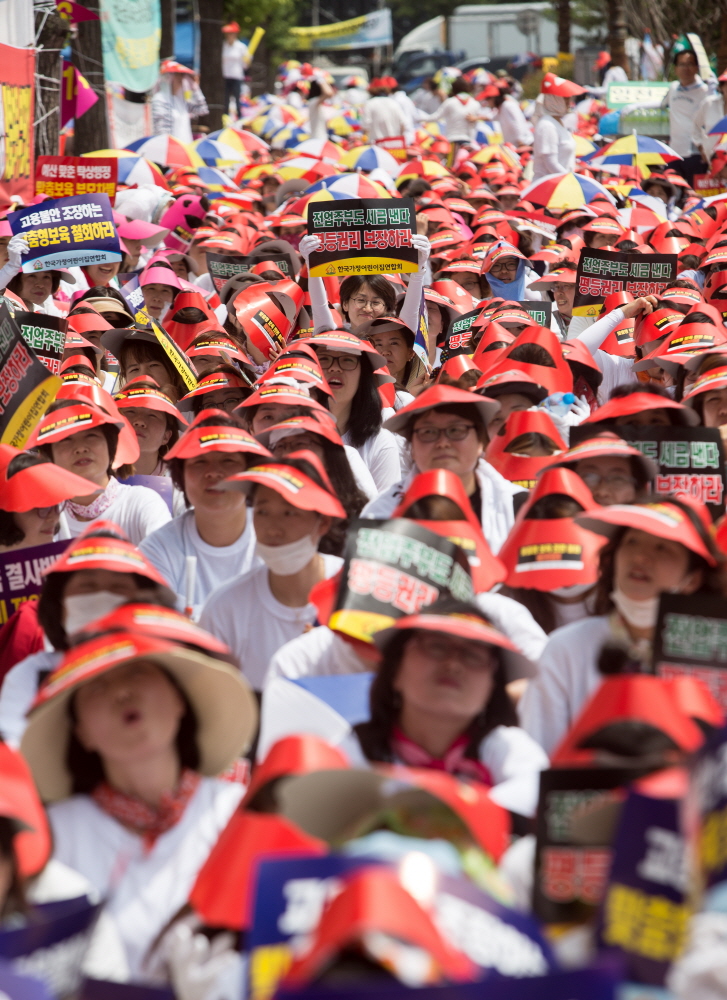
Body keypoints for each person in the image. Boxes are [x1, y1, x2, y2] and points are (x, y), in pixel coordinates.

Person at [19, 624, 258, 979]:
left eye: (136, 672)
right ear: (80, 732)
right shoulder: (52, 837)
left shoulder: (240, 813)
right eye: (97, 687)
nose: (121, 693)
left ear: (179, 700)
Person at [519, 499, 721, 755]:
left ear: (692, 579)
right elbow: (537, 752)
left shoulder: (717, 654)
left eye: (662, 548)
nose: (640, 557)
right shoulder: (567, 647)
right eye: (631, 542)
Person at [0, 524, 176, 748]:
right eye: (87, 586)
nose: (101, 597)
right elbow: (13, 753)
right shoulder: (33, 676)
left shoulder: (170, 664)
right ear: (58, 605)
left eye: (117, 587)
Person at [353, 600, 547, 790]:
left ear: (492, 687)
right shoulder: (350, 750)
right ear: (395, 670)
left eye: (473, 655)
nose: (453, 665)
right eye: (437, 647)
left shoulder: (511, 751)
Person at [199, 457, 346, 691]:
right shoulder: (224, 608)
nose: (272, 528)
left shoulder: (357, 592)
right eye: (263, 511)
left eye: (290, 513)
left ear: (323, 523)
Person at [362, 385, 523, 554]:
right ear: (412, 449)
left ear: (480, 441)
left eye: (456, 430)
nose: (443, 443)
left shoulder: (518, 507)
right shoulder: (380, 513)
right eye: (428, 432)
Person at [140, 412, 272, 617]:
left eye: (228, 460)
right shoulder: (157, 549)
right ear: (180, 477)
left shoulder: (278, 538)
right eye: (199, 462)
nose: (212, 472)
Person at [28, 399, 171, 544]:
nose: (80, 448)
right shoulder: (39, 518)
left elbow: (167, 560)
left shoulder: (142, 503)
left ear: (111, 447)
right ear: (50, 456)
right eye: (66, 439)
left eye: (91, 436)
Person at [299, 331, 403, 492]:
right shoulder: (289, 430)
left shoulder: (380, 443)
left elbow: (384, 513)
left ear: (363, 376)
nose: (334, 368)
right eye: (324, 359)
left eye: (347, 360)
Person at [661, 45, 709, 181]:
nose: (686, 68)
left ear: (697, 67)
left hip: (696, 154)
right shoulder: (673, 88)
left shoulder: (706, 91)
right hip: (674, 153)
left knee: (695, 195)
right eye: (682, 64)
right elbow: (661, 105)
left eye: (690, 64)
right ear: (675, 68)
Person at [532, 73, 585, 181]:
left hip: (560, 184)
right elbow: (550, 162)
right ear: (554, 100)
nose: (569, 103)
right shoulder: (547, 125)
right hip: (548, 187)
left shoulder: (557, 122)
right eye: (565, 99)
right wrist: (571, 180)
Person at [151, 59, 208, 144]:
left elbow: (202, 109)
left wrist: (195, 87)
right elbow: (160, 130)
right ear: (168, 78)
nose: (181, 79)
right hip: (169, 149)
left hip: (184, 148)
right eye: (178, 75)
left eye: (183, 76)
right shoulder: (159, 100)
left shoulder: (181, 101)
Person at [421, 77, 480, 150]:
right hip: (468, 141)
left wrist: (418, 119)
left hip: (452, 139)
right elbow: (475, 124)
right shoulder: (475, 103)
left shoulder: (450, 102)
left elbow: (435, 117)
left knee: (451, 161)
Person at [361, 78, 408, 143]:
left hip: (377, 145)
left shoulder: (370, 104)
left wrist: (364, 142)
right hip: (394, 145)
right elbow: (404, 124)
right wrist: (399, 140)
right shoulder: (394, 103)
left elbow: (366, 126)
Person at [221, 22, 248, 118]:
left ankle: (239, 116)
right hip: (225, 75)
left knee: (237, 98)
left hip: (237, 75)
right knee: (225, 98)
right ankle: (225, 116)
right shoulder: (223, 46)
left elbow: (246, 63)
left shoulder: (241, 47)